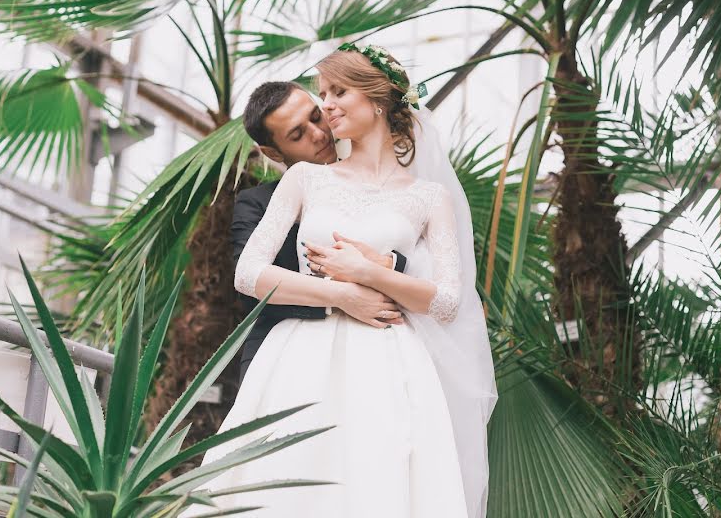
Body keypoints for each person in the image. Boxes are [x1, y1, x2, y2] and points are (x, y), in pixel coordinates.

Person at [185, 44, 496, 518]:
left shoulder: (431, 198)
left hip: (389, 358)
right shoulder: (304, 180)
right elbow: (248, 273)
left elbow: (449, 301)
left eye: (336, 93)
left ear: (377, 100)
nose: (325, 108)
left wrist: (373, 272)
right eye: (321, 94)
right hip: (300, 355)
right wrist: (345, 294)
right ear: (275, 150)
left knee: (377, 484)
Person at [233, 81, 410, 383]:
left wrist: (389, 264)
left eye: (315, 117)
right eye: (297, 134)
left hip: (377, 349)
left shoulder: (384, 185)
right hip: (281, 356)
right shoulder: (256, 203)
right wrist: (342, 297)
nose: (318, 134)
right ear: (272, 151)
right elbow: (251, 291)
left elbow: (412, 258)